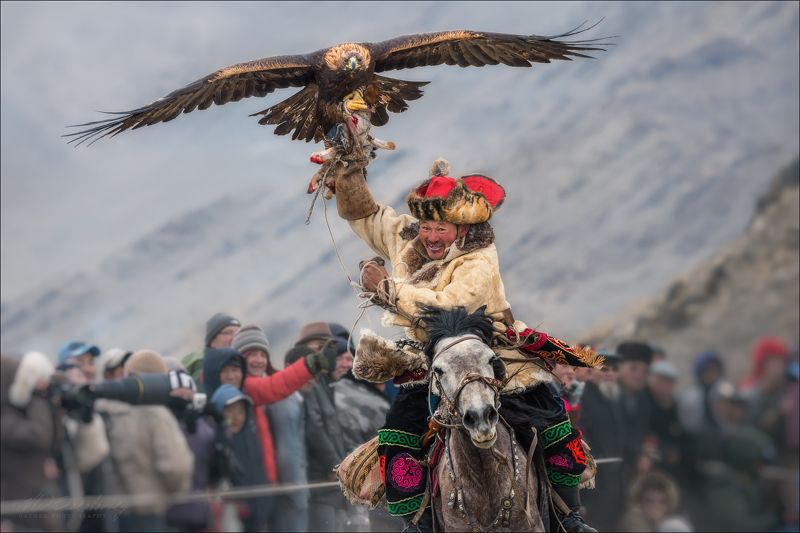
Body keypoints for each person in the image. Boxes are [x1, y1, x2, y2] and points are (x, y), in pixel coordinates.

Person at [329, 156, 600, 531]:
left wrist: (386, 288)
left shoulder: (479, 258)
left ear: (460, 228)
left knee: (551, 416)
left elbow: (450, 305)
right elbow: (368, 215)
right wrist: (348, 171)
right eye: (426, 226)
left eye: (441, 228)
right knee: (398, 435)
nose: (431, 236)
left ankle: (567, 516)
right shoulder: (410, 240)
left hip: (492, 353)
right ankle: (419, 522)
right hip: (430, 361)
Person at [95, 350, 194, 532]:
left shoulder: (103, 410)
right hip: (151, 509)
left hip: (114, 513)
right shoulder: (156, 414)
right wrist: (173, 492)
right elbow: (176, 467)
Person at [1, 352, 64, 532]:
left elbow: (51, 437)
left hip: (36, 498)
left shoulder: (20, 409)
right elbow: (38, 435)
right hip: (18, 505)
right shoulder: (9, 415)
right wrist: (37, 395)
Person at [267, 345, 318, 533]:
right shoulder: (286, 402)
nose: (313, 379)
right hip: (290, 495)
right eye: (308, 371)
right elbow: (288, 451)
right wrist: (298, 494)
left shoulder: (295, 398)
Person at [211, 384, 271, 533]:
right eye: (229, 411)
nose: (236, 417)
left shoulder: (250, 436)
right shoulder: (214, 443)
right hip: (230, 520)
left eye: (240, 411)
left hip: (257, 518)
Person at [579, 349, 627, 531]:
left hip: (615, 481)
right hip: (597, 484)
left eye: (614, 370)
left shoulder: (615, 398)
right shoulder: (584, 398)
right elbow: (582, 434)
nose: (610, 375)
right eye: (605, 369)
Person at [182, 312, 242, 392]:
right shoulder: (204, 364)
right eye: (228, 333)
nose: (235, 338)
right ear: (212, 340)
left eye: (238, 333)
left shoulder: (232, 361)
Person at [618, 470, 693, 532]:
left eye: (662, 500)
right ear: (639, 501)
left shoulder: (669, 523)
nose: (656, 505)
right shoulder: (633, 521)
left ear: (669, 503)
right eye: (649, 500)